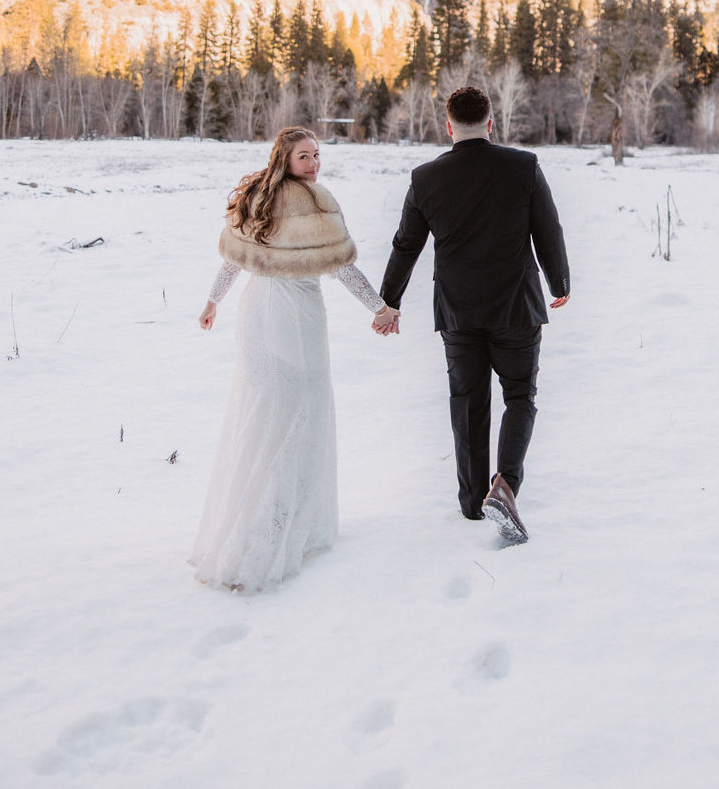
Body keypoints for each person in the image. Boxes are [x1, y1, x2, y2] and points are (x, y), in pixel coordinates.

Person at [191, 127, 397, 592]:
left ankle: (252, 521)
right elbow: (342, 265)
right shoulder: (314, 202)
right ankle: (276, 526)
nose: (315, 163)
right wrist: (380, 308)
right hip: (295, 319)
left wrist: (215, 302)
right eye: (305, 156)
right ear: (284, 159)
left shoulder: (258, 198)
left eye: (318, 155)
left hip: (256, 313)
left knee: (263, 412)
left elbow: (235, 259)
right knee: (296, 415)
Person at [376, 86, 569, 543]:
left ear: (448, 127)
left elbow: (407, 244)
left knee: (467, 403)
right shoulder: (523, 166)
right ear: (490, 122)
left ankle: (470, 504)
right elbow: (548, 227)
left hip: (458, 311)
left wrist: (390, 301)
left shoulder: (426, 178)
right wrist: (559, 283)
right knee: (519, 396)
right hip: (516, 307)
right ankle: (504, 487)